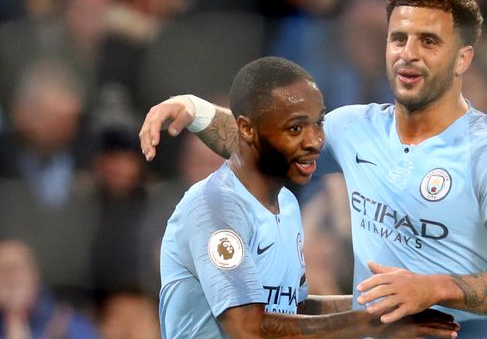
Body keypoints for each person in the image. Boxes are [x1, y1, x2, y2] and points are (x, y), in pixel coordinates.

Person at [141, 0, 487, 338]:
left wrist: (433, 288)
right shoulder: (355, 127)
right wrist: (197, 111)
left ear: (463, 57)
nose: (408, 53)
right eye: (398, 38)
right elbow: (267, 142)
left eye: (429, 41)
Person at [157, 56, 460, 338]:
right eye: (296, 127)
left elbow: (291, 311)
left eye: (318, 123)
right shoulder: (215, 208)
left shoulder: (286, 203)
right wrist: (369, 323)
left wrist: (389, 306)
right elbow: (246, 327)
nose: (315, 141)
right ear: (247, 130)